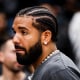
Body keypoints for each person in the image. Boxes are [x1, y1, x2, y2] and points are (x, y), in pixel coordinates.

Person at [12, 6, 80, 80]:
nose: (14, 39)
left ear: (46, 36)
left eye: (24, 32)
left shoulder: (58, 71)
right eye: (15, 32)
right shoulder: (49, 68)